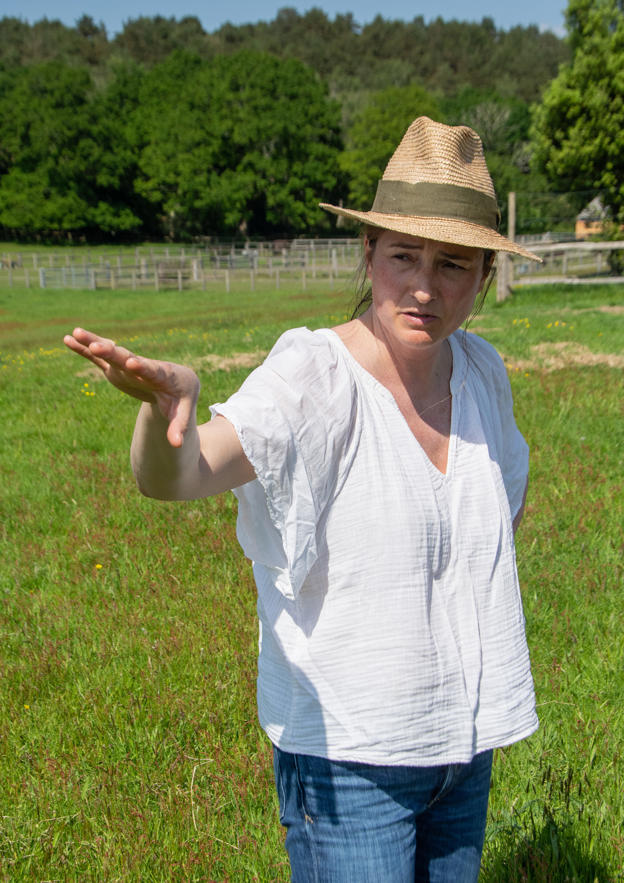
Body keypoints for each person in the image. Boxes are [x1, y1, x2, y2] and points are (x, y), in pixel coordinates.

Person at [64, 116, 541, 882]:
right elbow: (177, 477)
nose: (424, 286)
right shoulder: (313, 377)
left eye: (453, 264)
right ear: (368, 253)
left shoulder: (482, 372)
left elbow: (503, 506)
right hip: (349, 759)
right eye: (403, 257)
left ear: (485, 275)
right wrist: (164, 413)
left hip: (464, 746)